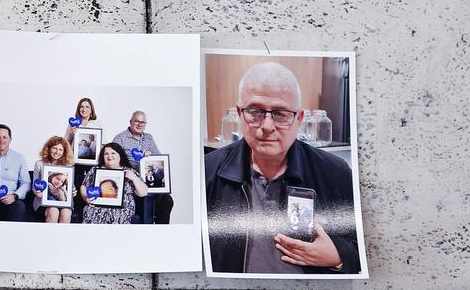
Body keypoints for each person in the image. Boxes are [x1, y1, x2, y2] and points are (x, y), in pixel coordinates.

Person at [204, 62, 361, 274]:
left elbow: (365, 250)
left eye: (281, 113)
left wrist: (338, 257)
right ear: (240, 113)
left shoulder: (334, 172)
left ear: (300, 118)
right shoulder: (208, 171)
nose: (267, 126)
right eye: (255, 111)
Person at [113, 110, 174, 224]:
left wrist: (149, 157)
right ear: (130, 121)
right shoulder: (120, 138)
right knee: (147, 200)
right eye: (137, 121)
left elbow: (159, 159)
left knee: (167, 200)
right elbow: (113, 162)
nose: (140, 124)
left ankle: (162, 234)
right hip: (131, 183)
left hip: (149, 180)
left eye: (143, 122)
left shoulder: (148, 138)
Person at [81, 142, 148, 225]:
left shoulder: (129, 171)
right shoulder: (95, 170)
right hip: (96, 208)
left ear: (120, 155)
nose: (109, 156)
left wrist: (134, 178)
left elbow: (143, 193)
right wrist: (86, 198)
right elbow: (84, 186)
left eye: (113, 153)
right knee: (90, 215)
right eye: (106, 154)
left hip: (122, 211)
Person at [32, 135, 74, 223]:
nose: (57, 152)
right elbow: (34, 186)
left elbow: (70, 187)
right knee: (53, 211)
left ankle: (63, 237)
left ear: (64, 152)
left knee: (66, 213)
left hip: (63, 202)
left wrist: (73, 191)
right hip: (43, 201)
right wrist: (37, 192)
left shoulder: (68, 166)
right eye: (55, 148)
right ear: (49, 148)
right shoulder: (39, 164)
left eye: (60, 150)